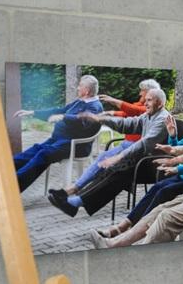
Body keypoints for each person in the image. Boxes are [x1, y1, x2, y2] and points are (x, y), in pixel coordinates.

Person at [94, 102, 183, 239]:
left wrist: (176, 169)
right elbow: (176, 149)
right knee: (157, 187)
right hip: (182, 175)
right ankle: (124, 225)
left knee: (163, 191)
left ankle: (133, 229)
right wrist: (173, 135)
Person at [48, 88, 170, 217]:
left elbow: (144, 143)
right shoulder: (149, 115)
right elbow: (127, 124)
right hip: (145, 160)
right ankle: (75, 201)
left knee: (119, 170)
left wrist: (119, 156)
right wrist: (100, 119)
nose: (145, 103)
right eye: (145, 100)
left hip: (156, 165)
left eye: (149, 100)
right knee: (112, 167)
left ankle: (75, 202)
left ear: (160, 103)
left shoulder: (162, 119)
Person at [11, 74, 103, 191]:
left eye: (80, 86)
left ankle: (12, 187)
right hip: (59, 140)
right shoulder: (79, 101)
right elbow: (59, 111)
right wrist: (33, 112)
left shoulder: (95, 106)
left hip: (75, 145)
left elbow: (83, 121)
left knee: (43, 154)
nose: (78, 88)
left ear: (86, 90)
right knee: (36, 149)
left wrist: (64, 117)